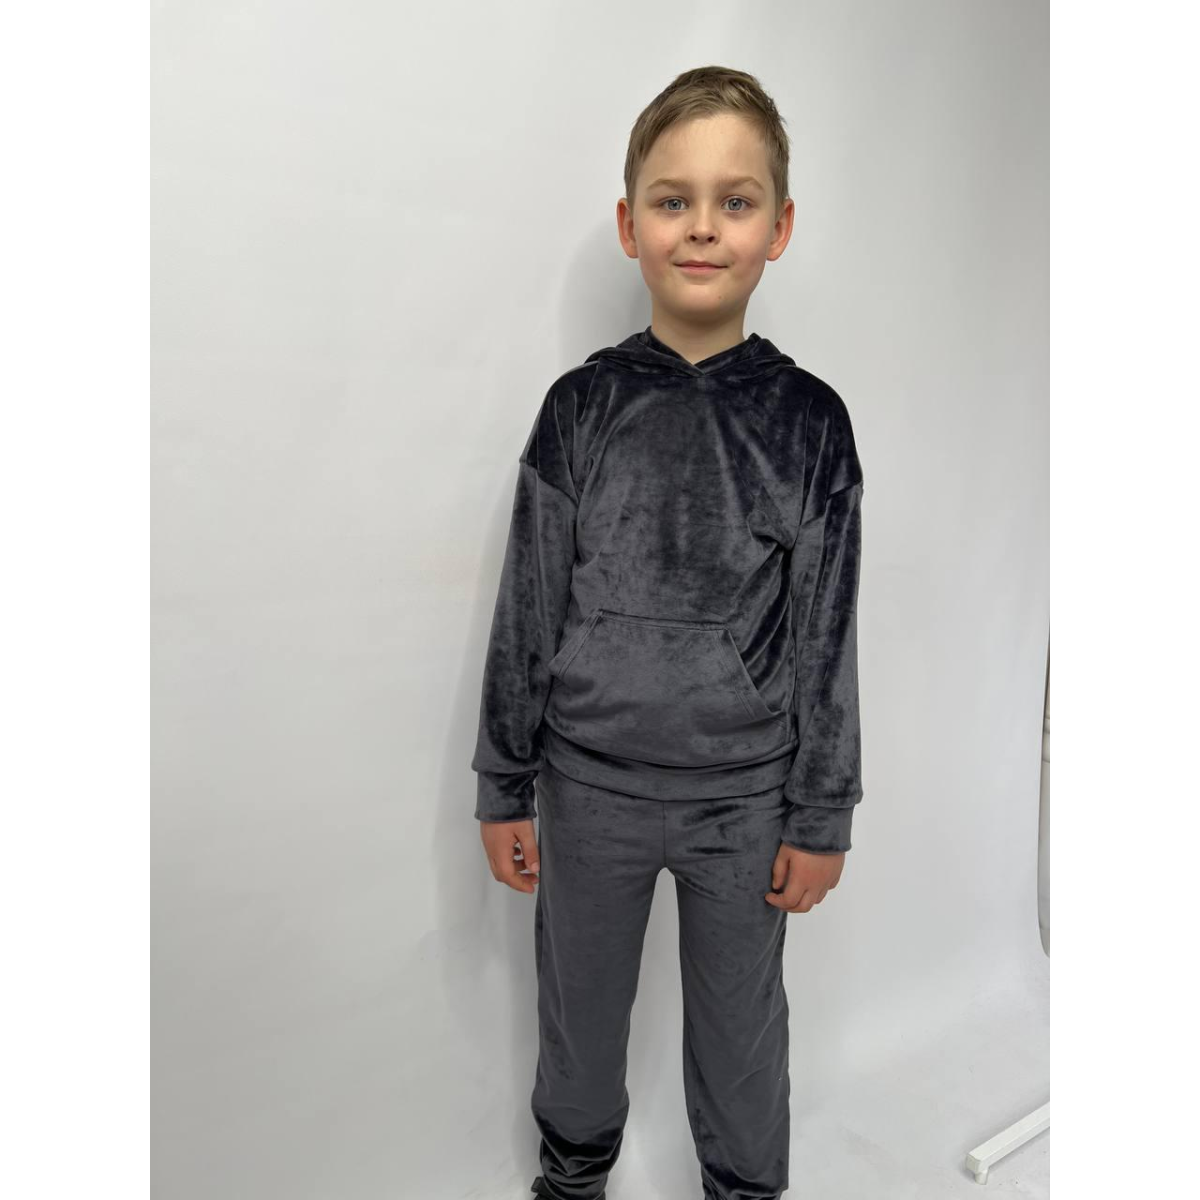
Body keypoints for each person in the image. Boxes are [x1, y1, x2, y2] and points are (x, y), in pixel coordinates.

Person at [470, 65, 864, 1200]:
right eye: (672, 199)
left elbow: (828, 636)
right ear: (629, 223)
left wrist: (822, 813)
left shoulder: (811, 423)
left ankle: (744, 1188)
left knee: (741, 1033)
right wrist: (503, 783)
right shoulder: (581, 407)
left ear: (778, 228)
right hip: (587, 787)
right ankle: (572, 1178)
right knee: (579, 1015)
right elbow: (527, 605)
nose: (701, 226)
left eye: (734, 201)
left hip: (746, 801)